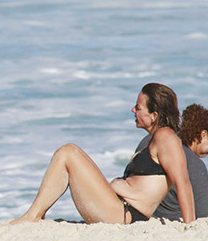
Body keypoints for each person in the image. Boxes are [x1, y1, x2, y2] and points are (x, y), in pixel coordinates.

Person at [12, 83, 195, 224]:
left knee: (68, 152)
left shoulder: (166, 137)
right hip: (117, 207)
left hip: (123, 214)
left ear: (154, 115)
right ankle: (37, 214)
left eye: (138, 108)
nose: (133, 110)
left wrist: (190, 226)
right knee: (70, 152)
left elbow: (183, 183)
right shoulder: (154, 139)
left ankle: (33, 216)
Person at [132, 103, 208, 220]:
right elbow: (203, 214)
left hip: (134, 209)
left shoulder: (150, 140)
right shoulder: (195, 165)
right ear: (203, 135)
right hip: (165, 219)